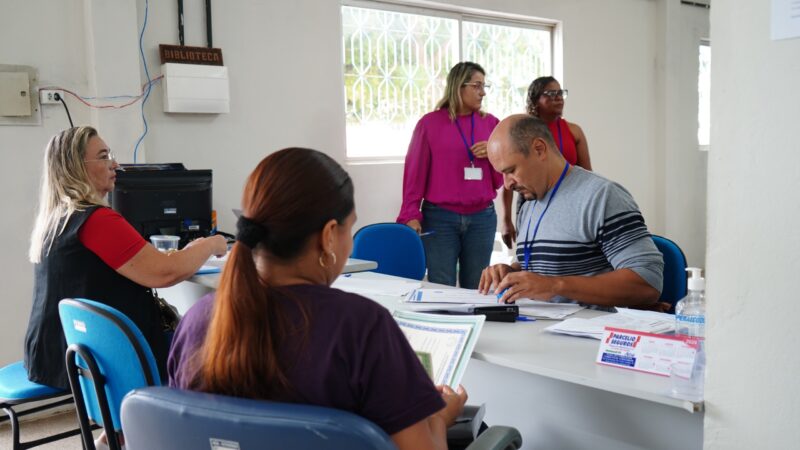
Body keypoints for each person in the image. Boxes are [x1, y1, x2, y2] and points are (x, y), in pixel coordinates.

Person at [169, 148, 467, 450]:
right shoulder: (362, 327)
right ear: (328, 236)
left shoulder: (197, 320)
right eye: (350, 227)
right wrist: (440, 419)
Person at [24, 126, 227, 389]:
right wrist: (210, 244)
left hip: (57, 348)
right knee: (208, 350)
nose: (115, 164)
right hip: (98, 356)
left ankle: (119, 429)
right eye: (104, 156)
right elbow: (164, 272)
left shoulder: (56, 219)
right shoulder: (97, 220)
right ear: (76, 168)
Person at [480, 115, 663, 309]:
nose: (507, 184)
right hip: (537, 328)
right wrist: (510, 272)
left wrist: (555, 286)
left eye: (511, 170)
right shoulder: (530, 202)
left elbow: (648, 282)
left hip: (587, 334)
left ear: (539, 149)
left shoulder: (600, 196)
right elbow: (537, 269)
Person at [397, 62, 509, 289]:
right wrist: (411, 212)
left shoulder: (492, 124)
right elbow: (414, 173)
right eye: (477, 85)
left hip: (482, 218)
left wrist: (492, 153)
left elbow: (502, 177)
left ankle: (474, 325)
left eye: (484, 85)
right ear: (459, 86)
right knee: (442, 286)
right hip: (440, 218)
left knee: (477, 287)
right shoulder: (429, 124)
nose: (483, 92)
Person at [500, 76, 592, 249]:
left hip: (569, 199)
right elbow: (509, 176)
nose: (557, 98)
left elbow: (587, 173)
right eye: (550, 93)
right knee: (533, 250)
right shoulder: (521, 132)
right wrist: (506, 220)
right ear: (535, 100)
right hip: (531, 199)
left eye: (560, 93)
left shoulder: (574, 131)